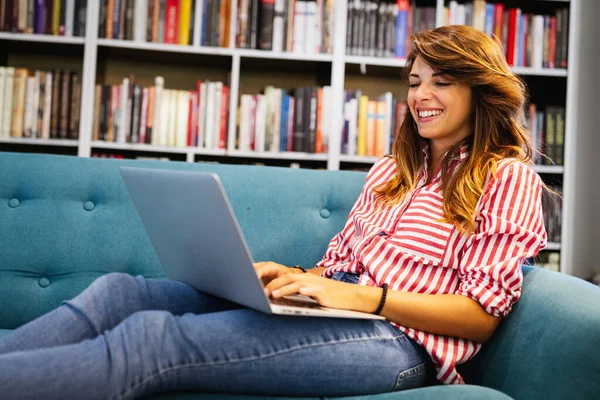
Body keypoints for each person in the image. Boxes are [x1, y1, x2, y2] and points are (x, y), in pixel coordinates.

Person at [0, 25, 547, 399]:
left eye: (442, 81)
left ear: (480, 90)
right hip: (341, 309)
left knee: (155, 340)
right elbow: (336, 269)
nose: (422, 95)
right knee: (123, 292)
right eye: (414, 81)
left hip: (399, 346)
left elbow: (481, 314)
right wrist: (296, 277)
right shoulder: (390, 172)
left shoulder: (507, 178)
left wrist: (363, 296)